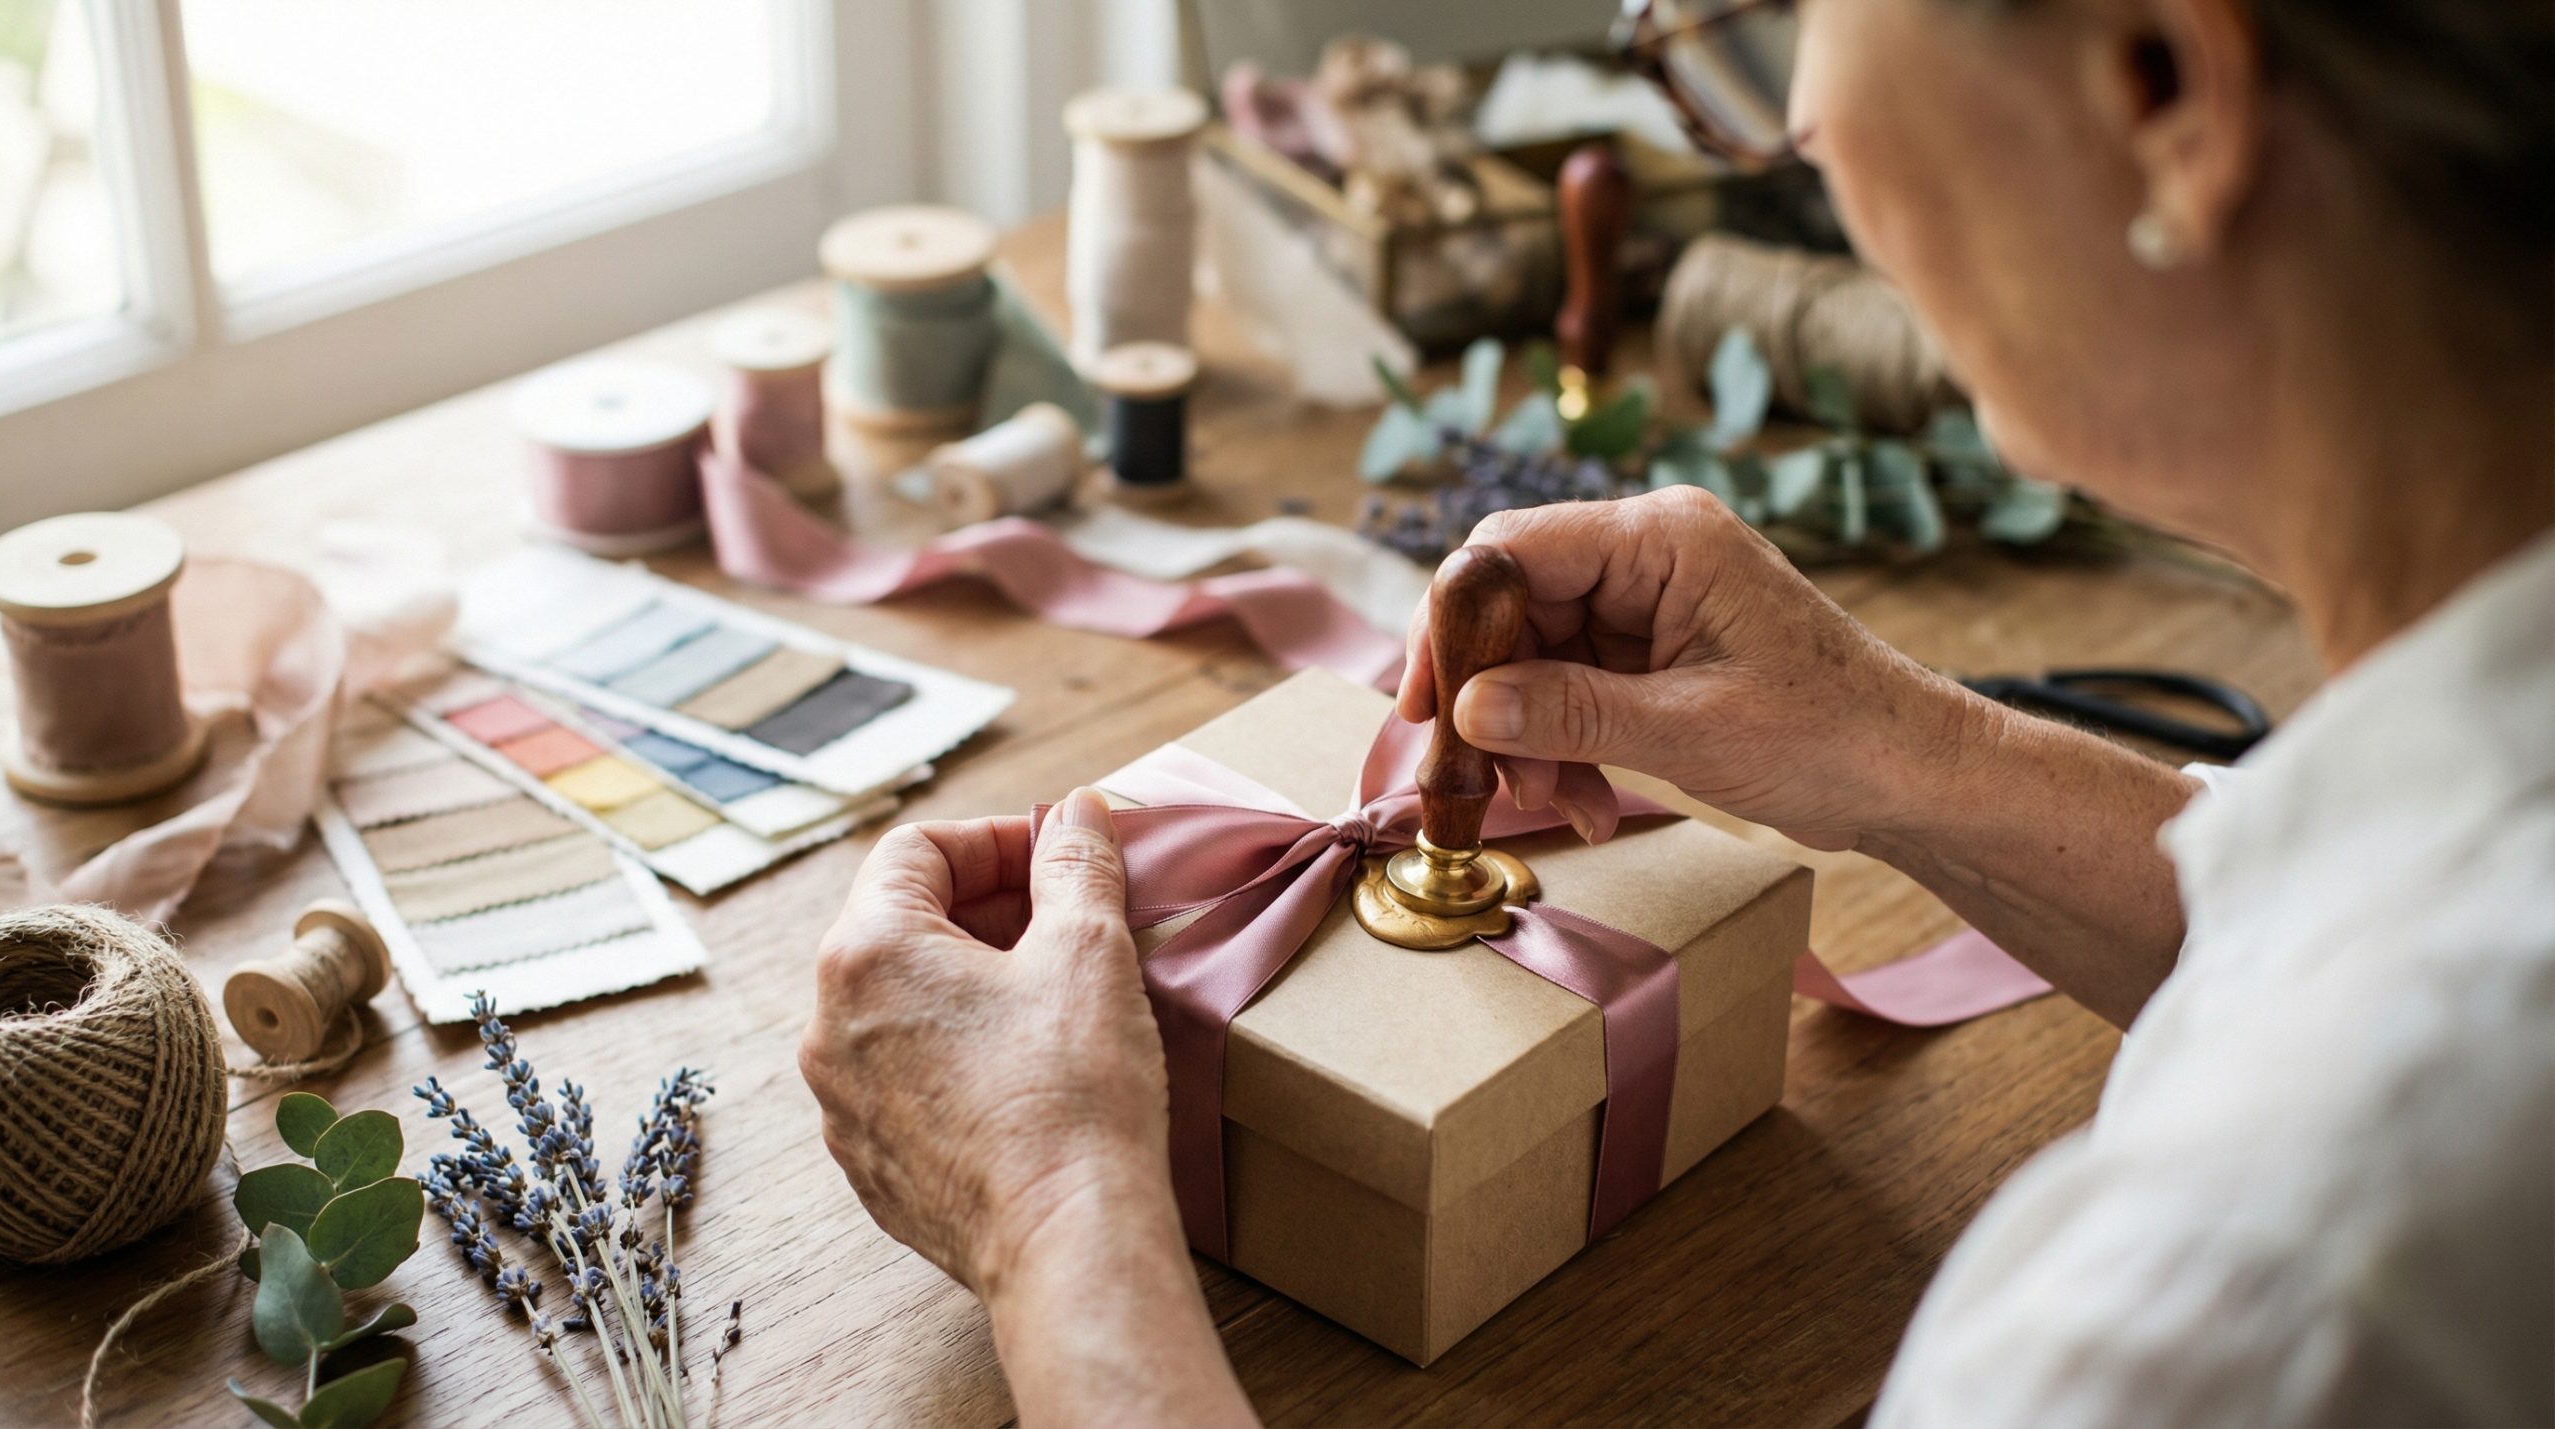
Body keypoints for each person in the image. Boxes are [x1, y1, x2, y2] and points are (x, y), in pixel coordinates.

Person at [798, 0, 2553, 1421]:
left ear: (2165, 79)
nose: (1797, 131)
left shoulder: (2237, 1305)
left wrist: (1057, 1222)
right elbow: (2324, 916)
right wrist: (1900, 746)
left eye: (1778, 21)